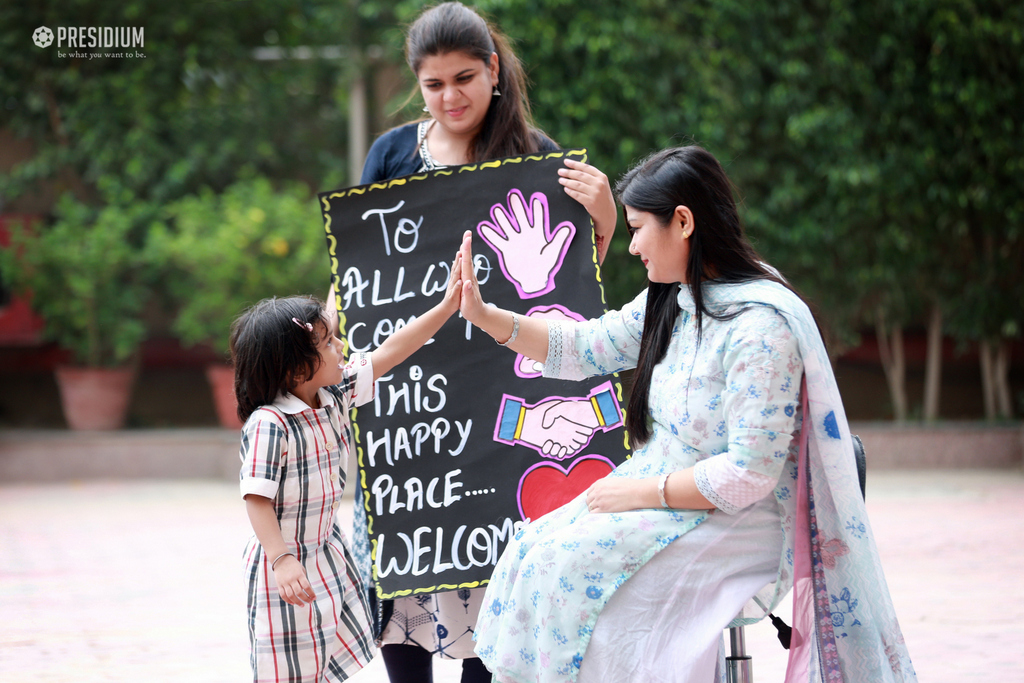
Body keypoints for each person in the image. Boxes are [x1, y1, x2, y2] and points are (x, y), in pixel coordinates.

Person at [459, 146, 917, 682]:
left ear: (682, 222)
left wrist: (640, 493)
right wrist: (485, 315)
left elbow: (749, 474)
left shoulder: (758, 328)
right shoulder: (674, 298)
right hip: (665, 493)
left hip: (740, 518)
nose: (631, 247)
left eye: (636, 229)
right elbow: (586, 346)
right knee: (533, 552)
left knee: (570, 571)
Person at [336, 3, 618, 682]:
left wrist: (604, 210)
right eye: (434, 84)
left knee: (493, 559)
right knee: (407, 556)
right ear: (417, 84)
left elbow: (578, 284)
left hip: (501, 388)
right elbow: (359, 271)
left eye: (465, 77)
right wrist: (338, 344)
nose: (451, 96)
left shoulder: (534, 155)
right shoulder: (392, 154)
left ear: (494, 70)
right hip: (412, 393)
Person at [234, 252, 462, 683]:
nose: (342, 347)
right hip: (283, 567)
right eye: (329, 343)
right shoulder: (270, 423)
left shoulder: (333, 395)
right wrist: (282, 560)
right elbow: (256, 499)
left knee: (320, 661)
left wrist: (447, 306)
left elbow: (393, 350)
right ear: (299, 368)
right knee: (289, 669)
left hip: (324, 556)